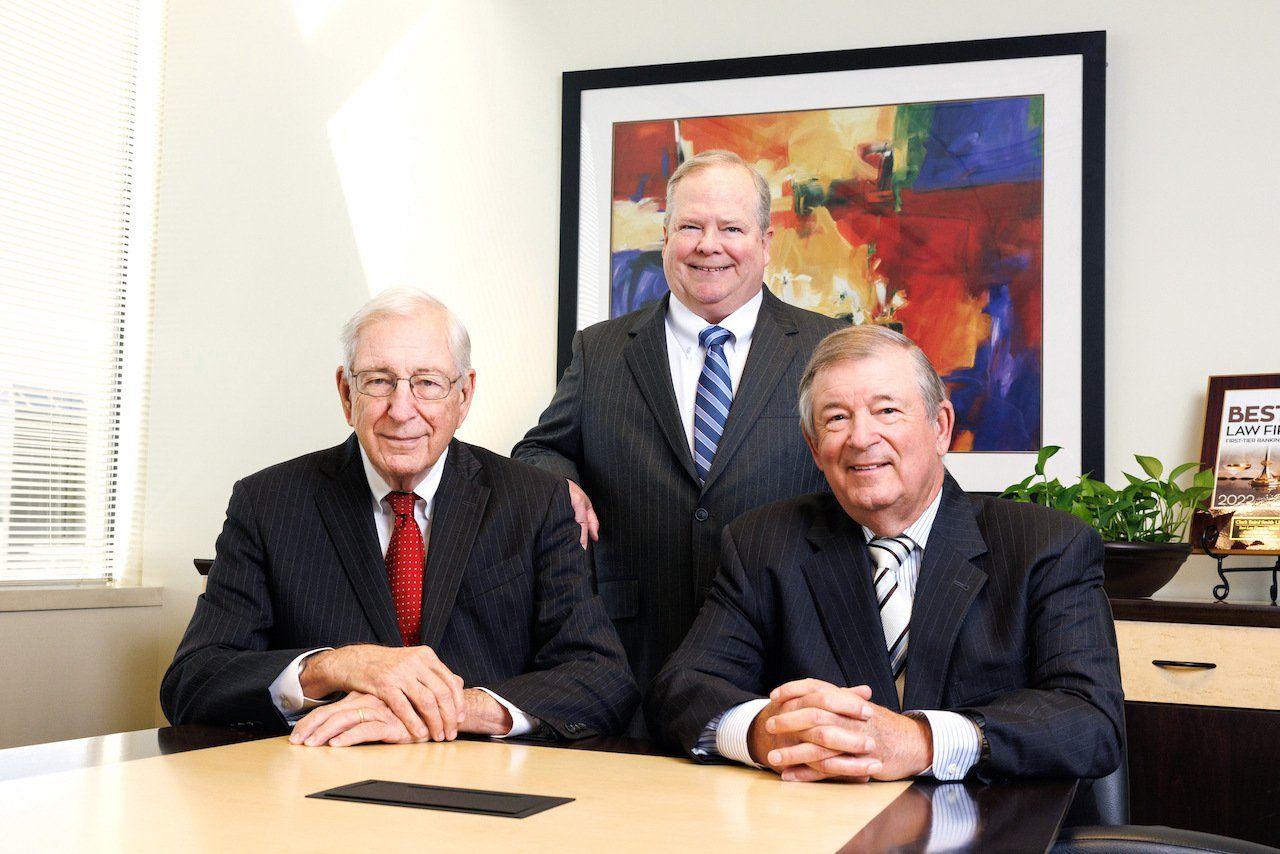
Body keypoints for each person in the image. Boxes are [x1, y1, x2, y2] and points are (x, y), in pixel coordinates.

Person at [645, 324, 1123, 783]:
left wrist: (919, 741)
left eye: (887, 411)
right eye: (836, 418)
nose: (860, 438)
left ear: (941, 427)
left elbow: (1090, 722)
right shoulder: (762, 545)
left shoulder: (1046, 546)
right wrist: (763, 733)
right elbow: (681, 690)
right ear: (815, 448)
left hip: (990, 830)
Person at [161, 289, 638, 746]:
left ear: (464, 395)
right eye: (379, 381)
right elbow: (193, 682)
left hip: (484, 798)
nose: (402, 409)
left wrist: (444, 709)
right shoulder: (267, 503)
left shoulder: (535, 503)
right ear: (347, 394)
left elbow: (602, 679)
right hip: (319, 795)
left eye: (428, 383)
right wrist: (333, 667)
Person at [512, 150, 844, 703]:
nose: (708, 244)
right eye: (690, 226)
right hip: (632, 659)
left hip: (787, 657)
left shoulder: (827, 347)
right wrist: (557, 482)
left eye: (730, 228)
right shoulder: (604, 349)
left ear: (765, 244)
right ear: (666, 237)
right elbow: (539, 449)